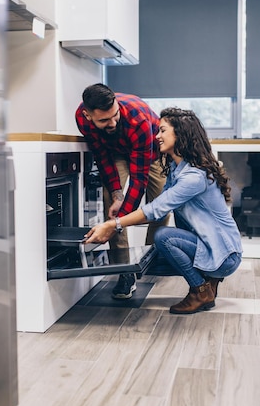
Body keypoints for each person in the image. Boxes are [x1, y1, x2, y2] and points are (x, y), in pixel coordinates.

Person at [84, 107, 242, 315]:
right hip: (210, 246)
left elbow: (156, 209)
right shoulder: (178, 169)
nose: (156, 136)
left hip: (224, 255)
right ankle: (209, 281)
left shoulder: (193, 177)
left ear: (181, 134)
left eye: (162, 131)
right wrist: (121, 216)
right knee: (148, 261)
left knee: (164, 237)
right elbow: (157, 208)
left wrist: (113, 224)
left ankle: (200, 290)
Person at [75, 84, 170, 299]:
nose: (112, 122)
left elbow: (139, 180)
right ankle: (124, 271)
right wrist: (117, 195)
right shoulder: (81, 119)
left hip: (150, 152)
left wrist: (114, 225)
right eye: (104, 120)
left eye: (115, 115)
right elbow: (102, 157)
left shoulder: (138, 120)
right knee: (112, 203)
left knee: (161, 207)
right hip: (115, 150)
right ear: (87, 116)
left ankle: (149, 259)